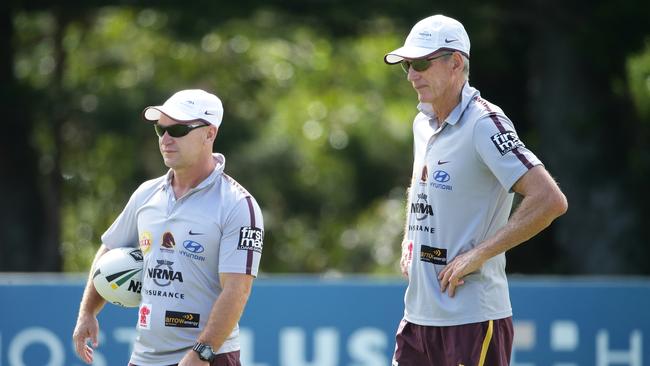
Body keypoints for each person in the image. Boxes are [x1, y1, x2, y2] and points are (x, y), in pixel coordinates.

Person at [384, 15, 568, 365]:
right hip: (418, 316)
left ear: (456, 63)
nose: (411, 75)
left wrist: (478, 254)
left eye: (422, 63)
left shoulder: (484, 123)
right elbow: (420, 181)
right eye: (407, 65)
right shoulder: (422, 122)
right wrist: (410, 239)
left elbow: (549, 199)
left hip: (472, 320)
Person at [72, 89, 264, 366]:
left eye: (177, 129)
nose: (166, 139)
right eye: (160, 129)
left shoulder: (238, 204)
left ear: (209, 133)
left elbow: (237, 290)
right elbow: (111, 248)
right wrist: (87, 312)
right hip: (144, 358)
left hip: (208, 358)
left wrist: (202, 353)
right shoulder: (145, 194)